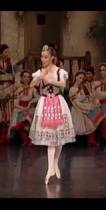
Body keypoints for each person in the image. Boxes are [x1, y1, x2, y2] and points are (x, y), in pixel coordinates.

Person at [29, 44, 76, 185]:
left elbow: (63, 84)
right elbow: (31, 84)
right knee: (50, 139)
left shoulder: (59, 71)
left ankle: (55, 162)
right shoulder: (40, 71)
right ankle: (50, 168)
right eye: (42, 57)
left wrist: (50, 80)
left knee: (59, 137)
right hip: (45, 104)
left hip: (57, 103)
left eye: (45, 57)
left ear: (52, 58)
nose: (43, 60)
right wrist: (40, 77)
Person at [69, 71, 106, 146]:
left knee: (100, 114)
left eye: (82, 79)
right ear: (76, 77)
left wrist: (93, 102)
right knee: (98, 114)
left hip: (85, 107)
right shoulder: (72, 90)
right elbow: (77, 103)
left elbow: (88, 97)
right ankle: (95, 137)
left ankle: (96, 137)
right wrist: (89, 106)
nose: (81, 80)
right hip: (79, 109)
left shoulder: (82, 88)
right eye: (80, 78)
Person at [9, 70, 40, 146]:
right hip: (20, 109)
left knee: (27, 119)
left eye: (28, 77)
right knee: (20, 117)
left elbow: (38, 97)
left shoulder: (32, 89)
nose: (26, 79)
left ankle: (27, 138)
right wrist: (22, 108)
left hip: (29, 108)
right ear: (22, 78)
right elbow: (15, 102)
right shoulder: (19, 89)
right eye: (24, 77)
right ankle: (26, 139)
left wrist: (30, 102)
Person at [0, 44, 16, 144]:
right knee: (1, 111)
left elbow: (13, 75)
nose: (7, 54)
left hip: (9, 88)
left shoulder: (10, 61)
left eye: (7, 52)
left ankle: (8, 135)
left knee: (9, 111)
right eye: (5, 52)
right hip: (0, 89)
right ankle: (1, 135)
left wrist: (9, 78)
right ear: (0, 53)